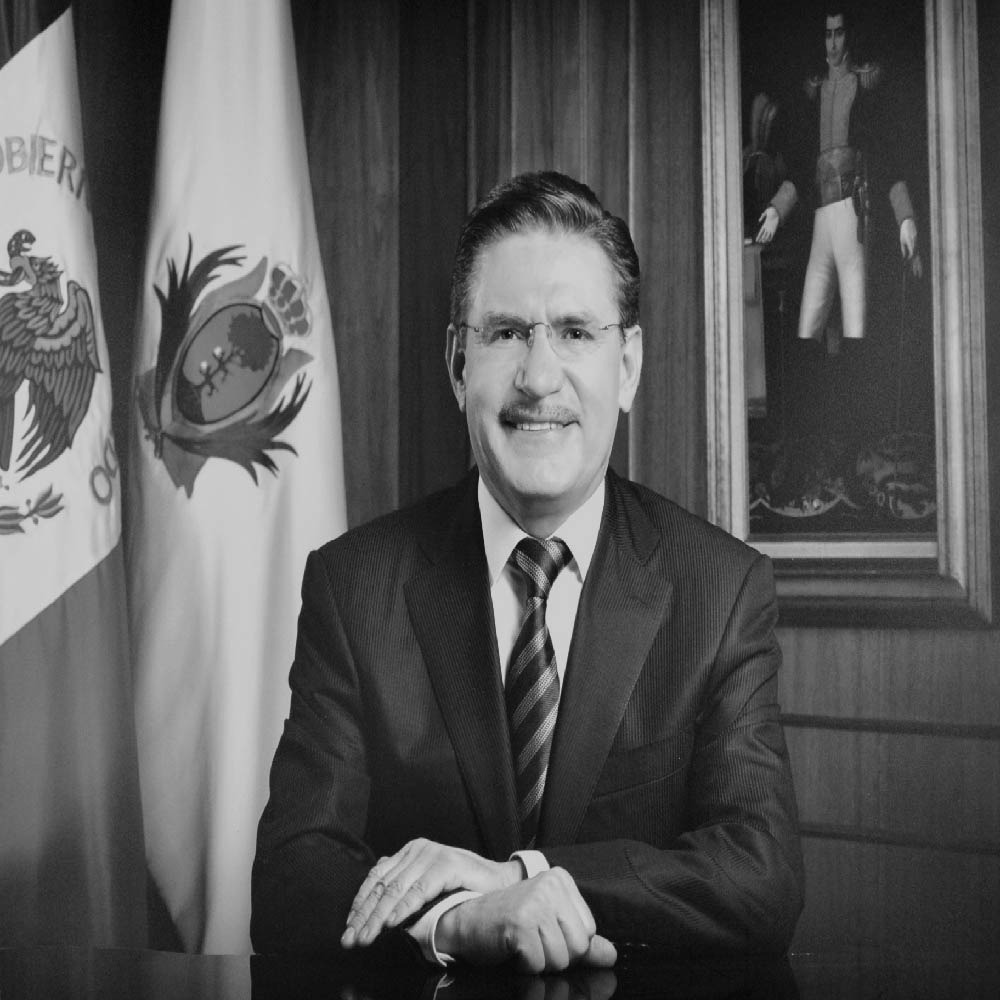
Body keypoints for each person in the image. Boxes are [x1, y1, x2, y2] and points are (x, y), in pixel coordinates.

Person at [251, 171, 804, 971]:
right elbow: (290, 880)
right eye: (508, 332)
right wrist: (456, 920)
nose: (539, 378)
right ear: (458, 364)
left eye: (576, 332)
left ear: (628, 366)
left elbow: (761, 876)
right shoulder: (354, 587)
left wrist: (524, 877)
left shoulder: (720, 590)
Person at [755, 6, 920, 344]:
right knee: (807, 329)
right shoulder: (815, 93)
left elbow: (885, 160)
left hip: (852, 214)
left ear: (848, 36)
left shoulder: (864, 87)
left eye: (839, 33)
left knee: (857, 327)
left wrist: (905, 217)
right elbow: (803, 168)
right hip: (821, 219)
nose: (833, 43)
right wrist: (776, 210)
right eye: (828, 34)